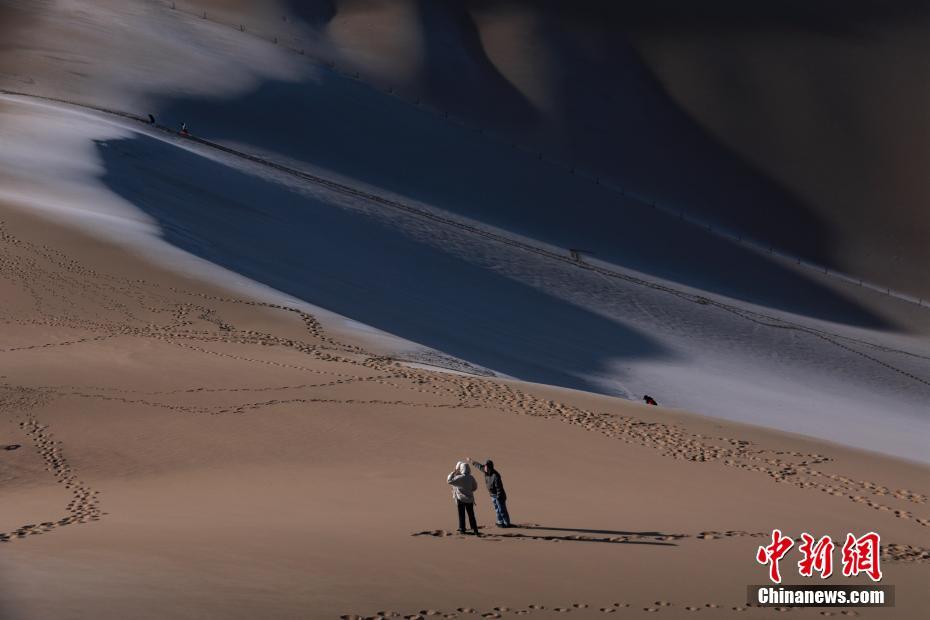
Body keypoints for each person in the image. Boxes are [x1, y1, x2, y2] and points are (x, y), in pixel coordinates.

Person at [471, 458, 510, 527]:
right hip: (492, 495)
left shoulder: (496, 475)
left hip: (499, 496)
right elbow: (479, 466)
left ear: (490, 467)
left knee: (502, 510)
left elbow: (499, 488)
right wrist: (472, 461)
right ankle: (500, 522)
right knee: (497, 509)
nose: (485, 468)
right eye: (485, 466)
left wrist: (498, 497)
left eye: (486, 466)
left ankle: (506, 523)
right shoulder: (485, 471)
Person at [447, 461, 480, 536]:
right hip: (470, 499)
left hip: (460, 499)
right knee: (471, 515)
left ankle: (462, 529)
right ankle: (475, 530)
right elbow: (475, 487)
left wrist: (453, 472)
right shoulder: (471, 477)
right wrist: (469, 490)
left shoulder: (459, 477)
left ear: (461, 469)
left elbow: (449, 481)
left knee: (461, 515)